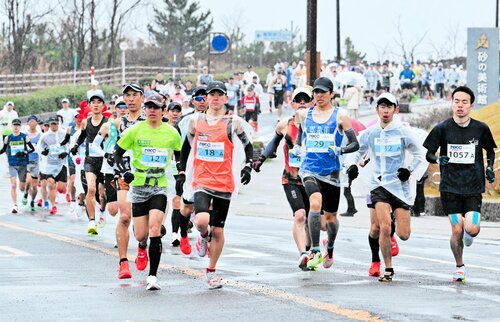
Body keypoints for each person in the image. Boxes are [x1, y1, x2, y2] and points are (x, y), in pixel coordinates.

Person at [178, 81, 253, 288]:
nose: (216, 98)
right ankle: (203, 236)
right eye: (212, 95)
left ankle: (211, 271)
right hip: (201, 179)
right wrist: (182, 171)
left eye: (220, 94)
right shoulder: (195, 120)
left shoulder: (233, 122)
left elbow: (248, 146)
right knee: (202, 221)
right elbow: (186, 147)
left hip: (224, 182)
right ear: (207, 98)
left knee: (218, 231)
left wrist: (247, 167)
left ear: (225, 98)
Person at [346, 92, 426, 282]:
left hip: (400, 186)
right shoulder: (371, 133)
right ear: (377, 110)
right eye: (382, 107)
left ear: (395, 109)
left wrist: (409, 170)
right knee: (383, 227)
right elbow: (356, 149)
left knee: (404, 234)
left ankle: (394, 224)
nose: (385, 110)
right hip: (378, 185)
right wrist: (351, 165)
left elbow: (420, 155)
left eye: (389, 107)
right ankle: (388, 268)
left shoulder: (403, 132)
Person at [423, 86, 497, 282]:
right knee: (457, 229)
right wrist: (438, 159)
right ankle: (459, 267)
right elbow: (428, 153)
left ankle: (468, 234)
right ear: (452, 103)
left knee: (472, 229)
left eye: (464, 102)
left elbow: (490, 151)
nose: (460, 106)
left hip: (473, 187)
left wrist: (489, 167)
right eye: (457, 101)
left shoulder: (480, 128)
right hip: (450, 188)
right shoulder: (442, 128)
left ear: (471, 106)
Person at [114, 93, 182, 290]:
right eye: (149, 107)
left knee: (155, 230)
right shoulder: (135, 130)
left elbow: (178, 156)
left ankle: (152, 277)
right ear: (145, 109)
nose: (152, 110)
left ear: (163, 110)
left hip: (159, 185)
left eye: (156, 107)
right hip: (139, 185)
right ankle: (142, 247)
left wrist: (180, 176)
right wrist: (124, 172)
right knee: (140, 235)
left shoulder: (171, 133)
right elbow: (117, 154)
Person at [294, 77, 359, 271]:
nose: (319, 96)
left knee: (330, 218)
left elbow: (354, 144)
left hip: (331, 172)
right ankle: (314, 250)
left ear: (331, 94)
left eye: (323, 92)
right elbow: (301, 136)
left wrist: (340, 151)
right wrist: (297, 148)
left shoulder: (340, 116)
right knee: (314, 203)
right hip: (309, 169)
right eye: (316, 92)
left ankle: (329, 247)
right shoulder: (305, 115)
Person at [252, 87, 313, 270]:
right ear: (292, 104)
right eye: (298, 100)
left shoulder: (318, 125)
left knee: (314, 219)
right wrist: (261, 159)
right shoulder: (285, 125)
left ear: (312, 103)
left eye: (306, 100)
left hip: (314, 179)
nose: (302, 103)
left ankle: (311, 249)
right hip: (291, 179)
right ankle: (303, 254)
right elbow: (274, 143)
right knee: (300, 215)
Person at [113, 83, 147, 279]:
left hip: (145, 174)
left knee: (143, 226)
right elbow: (113, 149)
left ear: (142, 97)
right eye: (127, 96)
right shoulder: (118, 123)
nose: (131, 99)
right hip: (124, 173)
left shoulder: (150, 120)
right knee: (125, 216)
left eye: (134, 95)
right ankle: (123, 263)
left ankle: (142, 245)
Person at [71, 92, 108, 235]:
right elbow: (82, 136)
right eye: (93, 102)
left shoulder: (107, 122)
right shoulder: (86, 121)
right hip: (90, 160)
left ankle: (102, 212)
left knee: (102, 194)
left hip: (104, 161)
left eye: (99, 102)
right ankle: (91, 221)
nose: (96, 104)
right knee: (91, 189)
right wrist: (75, 146)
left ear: (103, 105)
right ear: (90, 105)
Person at [37, 116, 71, 215]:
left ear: (58, 124)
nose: (53, 126)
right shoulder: (45, 135)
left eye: (55, 124)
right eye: (52, 124)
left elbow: (70, 145)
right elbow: (39, 146)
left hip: (61, 164)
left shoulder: (63, 133)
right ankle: (53, 206)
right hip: (50, 165)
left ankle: (61, 189)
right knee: (51, 185)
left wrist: (66, 152)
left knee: (60, 188)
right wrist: (43, 151)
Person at [0, 118, 35, 213]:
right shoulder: (8, 138)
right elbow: (3, 149)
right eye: (14, 125)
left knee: (22, 187)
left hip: (23, 163)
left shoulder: (24, 137)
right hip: (12, 164)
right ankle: (15, 206)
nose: (16, 127)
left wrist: (24, 152)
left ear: (20, 127)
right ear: (12, 126)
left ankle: (26, 194)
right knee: (13, 184)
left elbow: (32, 149)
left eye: (17, 125)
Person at [24, 115, 41, 212]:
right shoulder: (24, 135)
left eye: (34, 122)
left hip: (36, 161)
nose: (32, 123)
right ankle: (26, 192)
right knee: (28, 180)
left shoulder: (40, 135)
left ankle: (32, 200)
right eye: (30, 122)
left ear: (36, 123)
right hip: (27, 160)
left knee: (34, 186)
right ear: (27, 123)